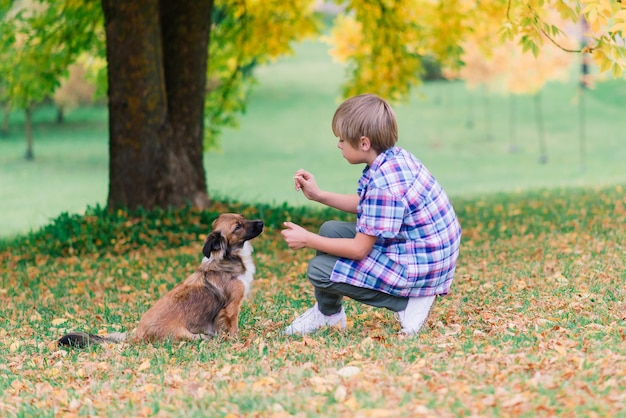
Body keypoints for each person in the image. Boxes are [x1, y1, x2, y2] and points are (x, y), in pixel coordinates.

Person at [280, 93, 462, 335]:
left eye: (342, 139)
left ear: (364, 143)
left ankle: (407, 303)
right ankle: (328, 316)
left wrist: (307, 239)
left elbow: (358, 249)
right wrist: (319, 195)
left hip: (422, 263)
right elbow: (371, 206)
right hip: (423, 248)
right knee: (330, 231)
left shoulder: (384, 183)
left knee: (319, 269)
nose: (339, 145)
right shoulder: (394, 158)